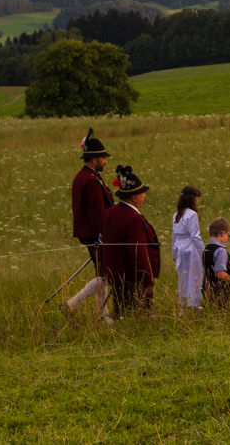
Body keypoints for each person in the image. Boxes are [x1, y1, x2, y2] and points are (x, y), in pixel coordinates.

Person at [100, 165, 161, 317]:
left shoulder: (109, 213)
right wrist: (147, 279)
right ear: (134, 197)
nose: (144, 196)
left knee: (120, 313)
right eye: (142, 193)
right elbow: (138, 251)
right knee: (138, 317)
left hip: (115, 275)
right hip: (133, 279)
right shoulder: (133, 219)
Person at [66, 129, 114, 316]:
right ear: (94, 159)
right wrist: (104, 235)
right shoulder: (92, 181)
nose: (105, 161)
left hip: (88, 233)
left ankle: (102, 313)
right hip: (96, 235)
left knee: (101, 274)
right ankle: (73, 303)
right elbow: (98, 214)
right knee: (106, 275)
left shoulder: (81, 177)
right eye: (103, 158)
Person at [172, 185, 204, 308]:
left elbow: (174, 236)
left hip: (179, 247)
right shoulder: (192, 214)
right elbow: (195, 235)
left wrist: (174, 253)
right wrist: (203, 252)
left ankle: (184, 302)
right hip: (191, 249)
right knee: (194, 276)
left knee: (183, 277)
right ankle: (194, 303)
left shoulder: (176, 214)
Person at [203, 218, 230, 307]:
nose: (228, 238)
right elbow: (220, 274)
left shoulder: (206, 248)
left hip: (206, 289)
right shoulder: (221, 251)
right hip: (219, 292)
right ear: (222, 233)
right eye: (228, 235)